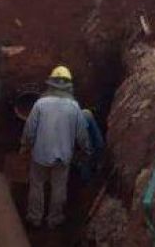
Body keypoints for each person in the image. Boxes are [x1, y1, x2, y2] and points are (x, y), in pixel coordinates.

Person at [21, 65, 91, 229]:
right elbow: (82, 133)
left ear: (50, 83)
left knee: (37, 185)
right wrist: (87, 150)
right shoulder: (74, 107)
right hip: (63, 157)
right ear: (69, 85)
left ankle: (34, 218)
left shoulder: (40, 104)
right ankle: (54, 219)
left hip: (40, 155)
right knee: (59, 187)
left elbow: (30, 129)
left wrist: (25, 145)